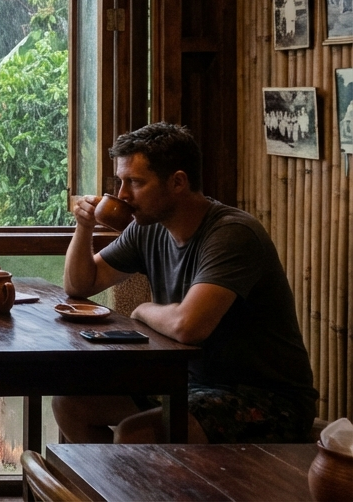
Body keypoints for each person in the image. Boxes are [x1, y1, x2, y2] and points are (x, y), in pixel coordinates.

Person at [54, 122, 316, 444]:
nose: (122, 195)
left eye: (135, 182)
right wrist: (84, 227)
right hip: (188, 384)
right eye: (120, 182)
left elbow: (188, 326)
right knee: (72, 404)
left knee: (135, 434)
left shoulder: (232, 234)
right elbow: (80, 285)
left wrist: (143, 309)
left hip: (266, 399)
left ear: (178, 182)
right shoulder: (148, 228)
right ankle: (111, 492)